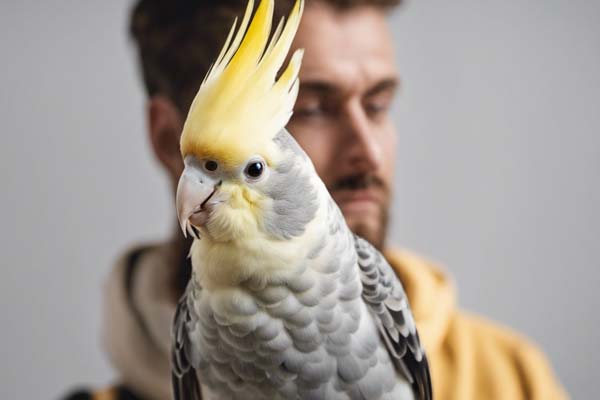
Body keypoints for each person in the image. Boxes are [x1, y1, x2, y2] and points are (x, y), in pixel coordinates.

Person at [64, 0, 568, 399]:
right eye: (311, 110)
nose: (366, 152)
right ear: (165, 138)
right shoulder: (176, 351)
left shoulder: (513, 380)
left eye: (378, 105)